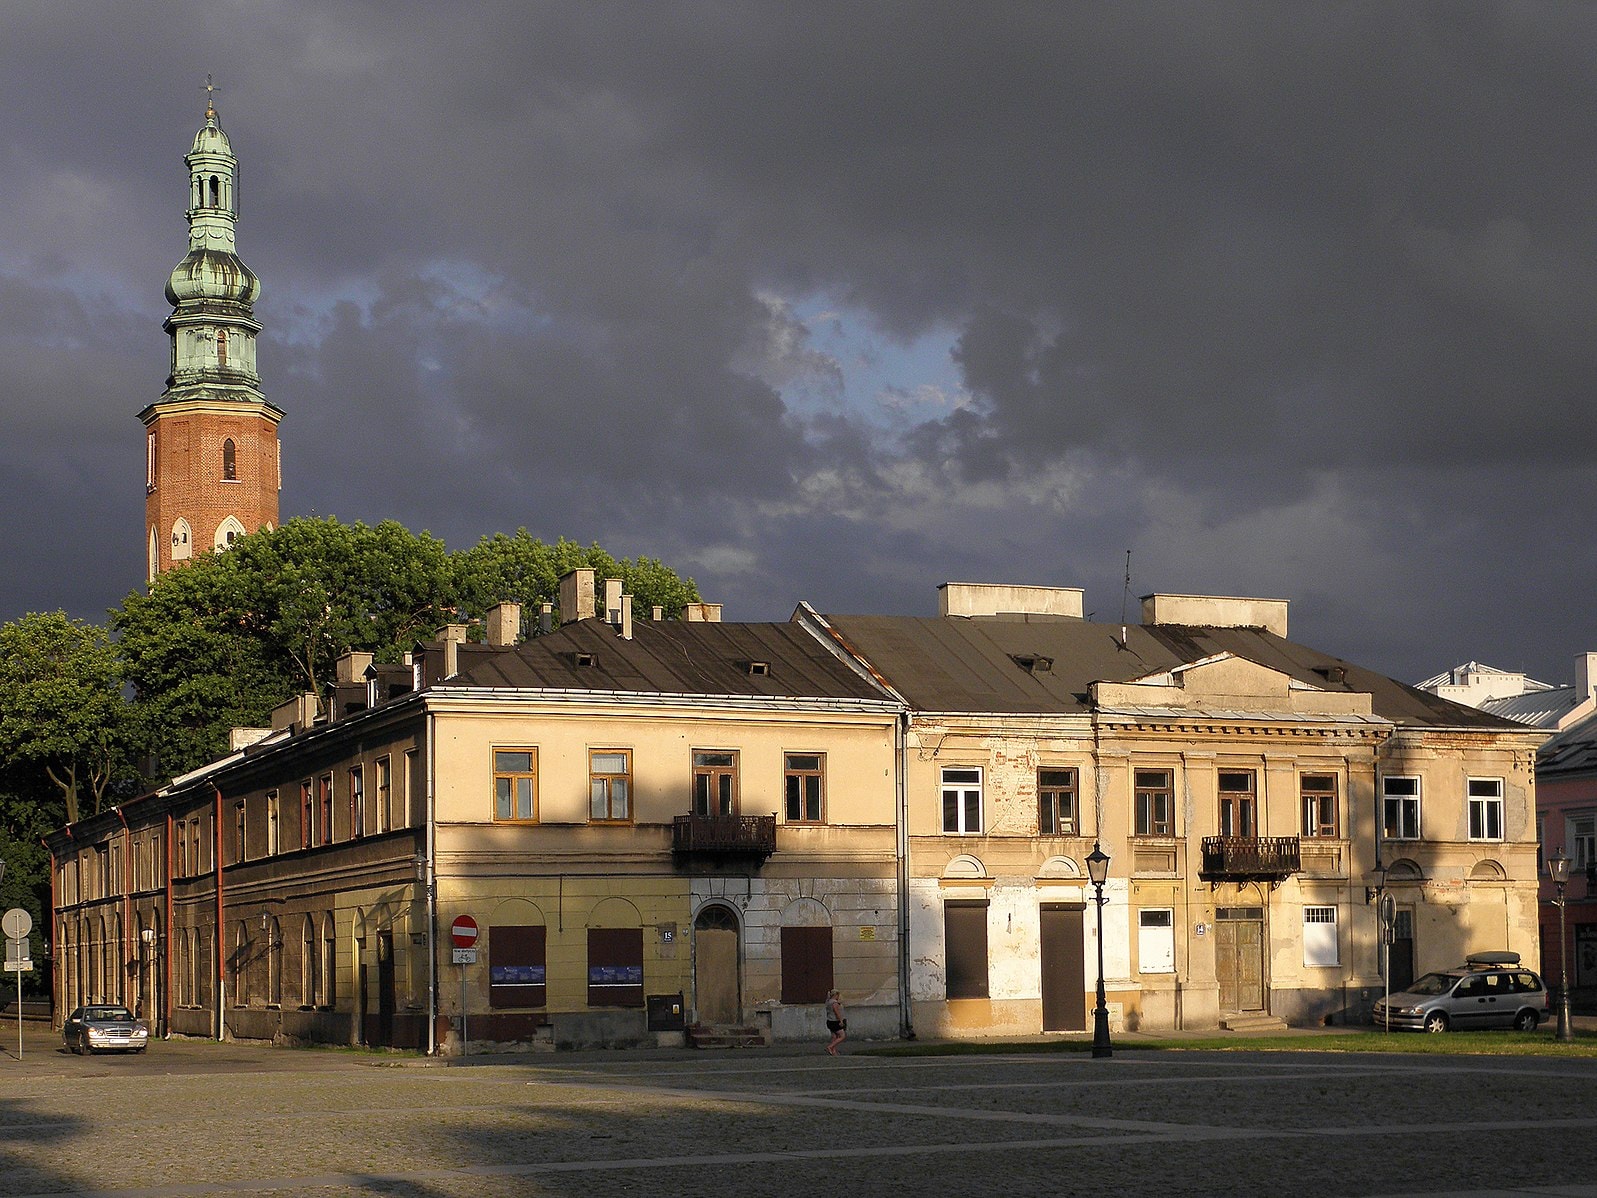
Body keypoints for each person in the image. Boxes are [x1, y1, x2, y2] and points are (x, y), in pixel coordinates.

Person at [825, 989, 846, 1055]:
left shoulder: (828, 1002)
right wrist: (841, 1020)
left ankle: (833, 1051)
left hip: (829, 1021)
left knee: (834, 1036)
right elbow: (837, 1012)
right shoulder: (834, 1003)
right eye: (838, 995)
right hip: (835, 1021)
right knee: (842, 1036)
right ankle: (830, 1047)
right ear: (835, 995)